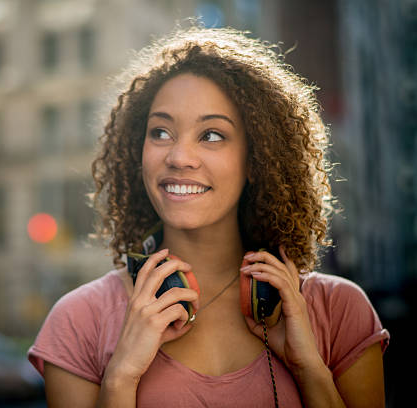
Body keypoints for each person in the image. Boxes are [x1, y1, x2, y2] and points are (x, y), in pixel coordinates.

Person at [28, 25, 389, 407]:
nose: (178, 157)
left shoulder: (337, 308)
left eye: (212, 135)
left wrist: (309, 369)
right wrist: (120, 376)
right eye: (161, 132)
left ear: (256, 159)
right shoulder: (79, 319)